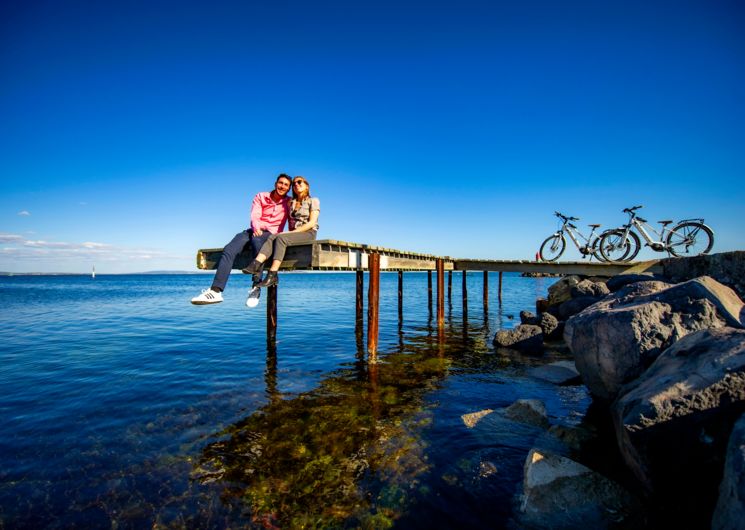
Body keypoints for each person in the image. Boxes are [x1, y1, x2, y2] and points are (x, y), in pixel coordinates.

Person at [191, 173, 291, 304]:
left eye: (286, 185)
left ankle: (256, 287)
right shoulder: (261, 196)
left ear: (288, 189)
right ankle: (216, 291)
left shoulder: (289, 202)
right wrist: (256, 229)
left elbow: (295, 218)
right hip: (255, 229)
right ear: (275, 183)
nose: (282, 186)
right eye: (280, 183)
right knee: (229, 249)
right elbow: (255, 215)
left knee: (257, 242)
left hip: (272, 234)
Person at [243, 175, 320, 289]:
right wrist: (289, 233)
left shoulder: (313, 200)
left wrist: (289, 234)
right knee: (274, 236)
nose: (296, 185)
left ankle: (273, 274)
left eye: (299, 182)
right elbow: (290, 222)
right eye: (294, 184)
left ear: (307, 186)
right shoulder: (291, 202)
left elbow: (311, 223)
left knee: (281, 237)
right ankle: (256, 263)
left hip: (308, 233)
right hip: (295, 234)